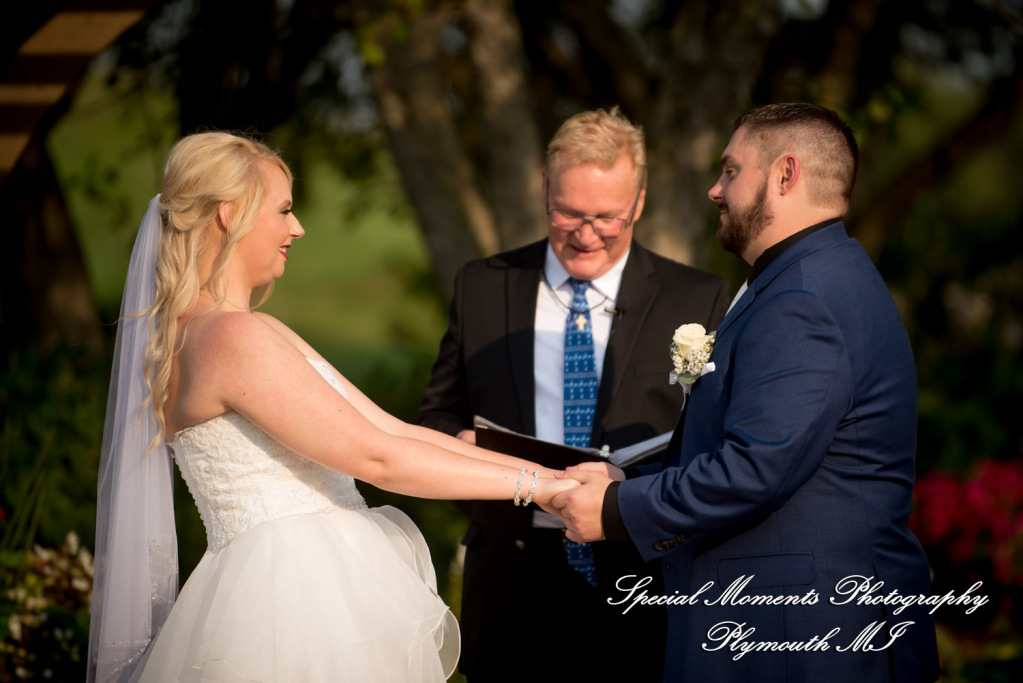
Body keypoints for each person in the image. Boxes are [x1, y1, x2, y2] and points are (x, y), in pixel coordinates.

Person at [86, 131, 578, 683]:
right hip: (297, 600)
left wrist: (553, 476)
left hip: (283, 584)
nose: (297, 228)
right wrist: (542, 491)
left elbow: (392, 430)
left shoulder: (222, 332)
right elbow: (379, 459)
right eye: (284, 210)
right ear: (229, 214)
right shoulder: (229, 338)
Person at [554, 103, 940, 682]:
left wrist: (615, 511)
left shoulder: (804, 298)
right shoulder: (810, 276)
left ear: (785, 175)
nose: (715, 189)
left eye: (731, 171)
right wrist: (628, 480)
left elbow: (756, 469)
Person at [417, 106, 730, 681]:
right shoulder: (484, 285)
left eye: (607, 217)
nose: (586, 235)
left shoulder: (698, 299)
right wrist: (458, 448)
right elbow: (438, 412)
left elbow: (714, 443)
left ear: (638, 202)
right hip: (510, 581)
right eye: (567, 213)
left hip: (641, 575)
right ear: (543, 189)